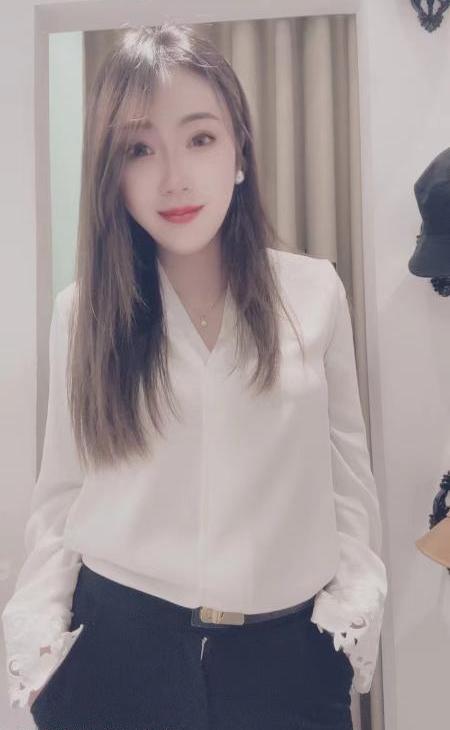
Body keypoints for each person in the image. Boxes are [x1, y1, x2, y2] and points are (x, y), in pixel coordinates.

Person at [1, 23, 388, 730]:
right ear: (112, 173)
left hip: (287, 662)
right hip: (117, 655)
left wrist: (347, 626)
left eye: (200, 138)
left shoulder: (314, 294)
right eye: (139, 149)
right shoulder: (84, 313)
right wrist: (40, 652)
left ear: (240, 151)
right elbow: (61, 498)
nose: (174, 177)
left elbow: (348, 486)